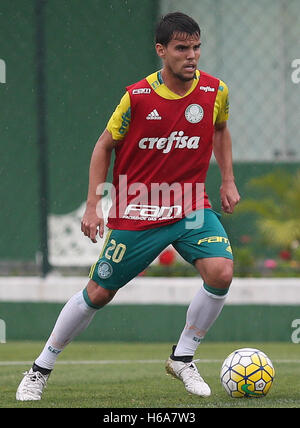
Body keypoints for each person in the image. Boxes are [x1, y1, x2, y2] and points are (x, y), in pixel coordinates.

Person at [16, 11, 240, 401]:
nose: (192, 56)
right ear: (161, 51)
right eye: (181, 48)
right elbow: (103, 145)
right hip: (140, 210)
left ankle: (183, 357)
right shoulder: (137, 97)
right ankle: (40, 368)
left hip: (190, 205)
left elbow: (220, 130)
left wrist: (229, 180)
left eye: (197, 47)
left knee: (220, 272)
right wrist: (92, 205)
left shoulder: (215, 91)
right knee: (98, 293)